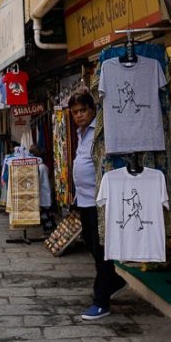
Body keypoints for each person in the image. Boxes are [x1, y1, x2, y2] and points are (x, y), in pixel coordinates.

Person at [69, 92, 127, 320]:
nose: (79, 115)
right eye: (75, 112)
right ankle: (113, 280)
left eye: (82, 110)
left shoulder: (99, 133)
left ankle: (102, 301)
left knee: (101, 249)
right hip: (84, 199)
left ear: (92, 110)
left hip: (98, 200)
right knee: (92, 246)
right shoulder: (81, 133)